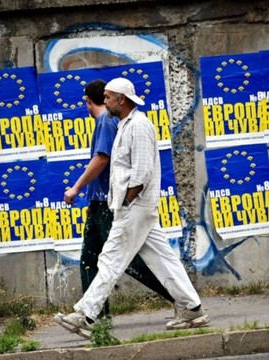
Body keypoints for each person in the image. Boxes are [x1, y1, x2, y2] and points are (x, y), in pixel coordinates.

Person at [55, 77, 210, 339]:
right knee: (165, 259)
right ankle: (191, 308)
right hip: (135, 207)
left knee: (111, 259)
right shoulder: (126, 124)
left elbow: (141, 173)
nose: (104, 101)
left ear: (121, 99)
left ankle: (86, 315)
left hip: (135, 206)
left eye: (108, 97)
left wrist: (126, 202)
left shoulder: (138, 126)